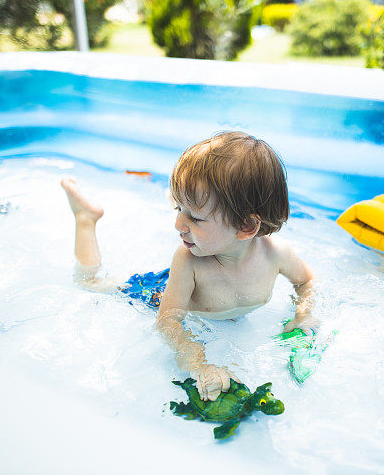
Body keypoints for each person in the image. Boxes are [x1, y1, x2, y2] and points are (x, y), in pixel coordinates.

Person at [61, 131, 319, 399]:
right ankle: (85, 218)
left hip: (216, 309)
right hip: (158, 291)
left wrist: (303, 313)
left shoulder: (276, 254)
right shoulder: (188, 261)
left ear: (246, 226)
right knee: (89, 282)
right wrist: (198, 364)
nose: (178, 225)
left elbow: (307, 281)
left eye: (194, 218)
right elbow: (168, 321)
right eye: (178, 209)